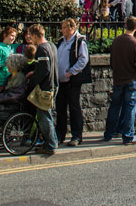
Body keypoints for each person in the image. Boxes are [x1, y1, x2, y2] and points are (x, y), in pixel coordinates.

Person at [103, 16, 136, 145]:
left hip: (118, 78)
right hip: (132, 79)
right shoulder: (135, 43)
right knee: (130, 108)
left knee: (115, 106)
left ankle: (109, 133)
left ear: (125, 25)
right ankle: (128, 136)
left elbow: (112, 60)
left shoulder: (116, 41)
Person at [24, 24, 59, 156]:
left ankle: (50, 145)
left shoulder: (42, 49)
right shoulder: (52, 45)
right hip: (54, 84)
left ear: (35, 35)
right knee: (47, 115)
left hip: (46, 87)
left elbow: (44, 70)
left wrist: (33, 82)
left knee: (44, 117)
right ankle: (52, 142)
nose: (30, 38)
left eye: (30, 36)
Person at [55, 18, 90, 147]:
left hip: (72, 81)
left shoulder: (79, 42)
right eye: (62, 27)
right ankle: (60, 134)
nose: (62, 30)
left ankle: (77, 135)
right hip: (61, 80)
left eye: (65, 28)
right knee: (60, 108)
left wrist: (71, 71)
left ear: (72, 28)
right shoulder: (61, 42)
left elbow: (83, 59)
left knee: (74, 108)